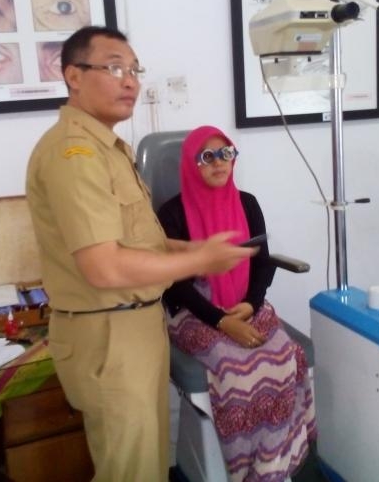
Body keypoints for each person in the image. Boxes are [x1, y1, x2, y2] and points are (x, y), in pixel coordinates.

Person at [25, 26, 255, 482]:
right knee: (131, 472)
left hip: (136, 325)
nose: (130, 81)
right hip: (109, 333)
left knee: (147, 464)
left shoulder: (109, 150)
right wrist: (201, 261)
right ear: (73, 75)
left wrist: (189, 248)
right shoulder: (75, 155)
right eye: (115, 68)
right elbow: (104, 266)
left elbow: (136, 239)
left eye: (134, 70)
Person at [157, 125, 316, 482]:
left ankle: (273, 465)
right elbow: (176, 286)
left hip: (246, 303)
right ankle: (245, 469)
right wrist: (222, 321)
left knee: (285, 358)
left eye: (225, 153)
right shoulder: (171, 214)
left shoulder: (247, 203)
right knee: (237, 373)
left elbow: (261, 261)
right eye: (207, 156)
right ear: (191, 164)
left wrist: (250, 306)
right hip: (194, 311)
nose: (219, 162)